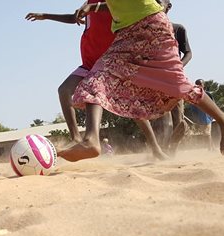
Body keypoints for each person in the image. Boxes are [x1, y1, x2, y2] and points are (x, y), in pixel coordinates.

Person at [58, 0, 224, 162]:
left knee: (179, 85)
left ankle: (222, 120)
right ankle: (91, 140)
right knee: (96, 77)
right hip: (126, 34)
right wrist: (93, 6)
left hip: (152, 25)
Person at [26, 1, 167, 160]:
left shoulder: (111, 3)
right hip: (89, 64)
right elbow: (74, 18)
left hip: (110, 62)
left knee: (132, 109)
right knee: (64, 90)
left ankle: (155, 148)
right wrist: (45, 16)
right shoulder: (89, 3)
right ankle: (76, 139)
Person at [152, 0, 193, 154]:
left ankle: (173, 146)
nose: (155, 4)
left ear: (168, 6)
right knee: (160, 117)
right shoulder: (148, 30)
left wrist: (178, 67)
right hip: (155, 79)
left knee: (178, 118)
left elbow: (188, 53)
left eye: (159, 1)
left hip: (174, 78)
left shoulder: (178, 28)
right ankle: (161, 149)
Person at [187, 79, 215, 151]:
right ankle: (213, 147)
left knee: (207, 133)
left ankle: (210, 149)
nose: (199, 86)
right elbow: (192, 106)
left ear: (203, 85)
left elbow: (213, 105)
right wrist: (194, 116)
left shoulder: (208, 94)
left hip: (208, 116)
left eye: (200, 84)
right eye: (197, 84)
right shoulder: (193, 95)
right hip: (199, 117)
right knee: (206, 133)